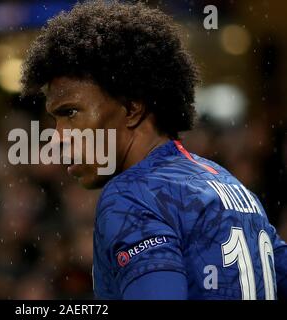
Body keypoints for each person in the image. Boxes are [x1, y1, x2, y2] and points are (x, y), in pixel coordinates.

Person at [20, 0, 287, 299]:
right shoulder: (235, 189)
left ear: (132, 108)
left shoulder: (131, 194)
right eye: (55, 119)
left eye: (70, 113)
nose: (57, 138)